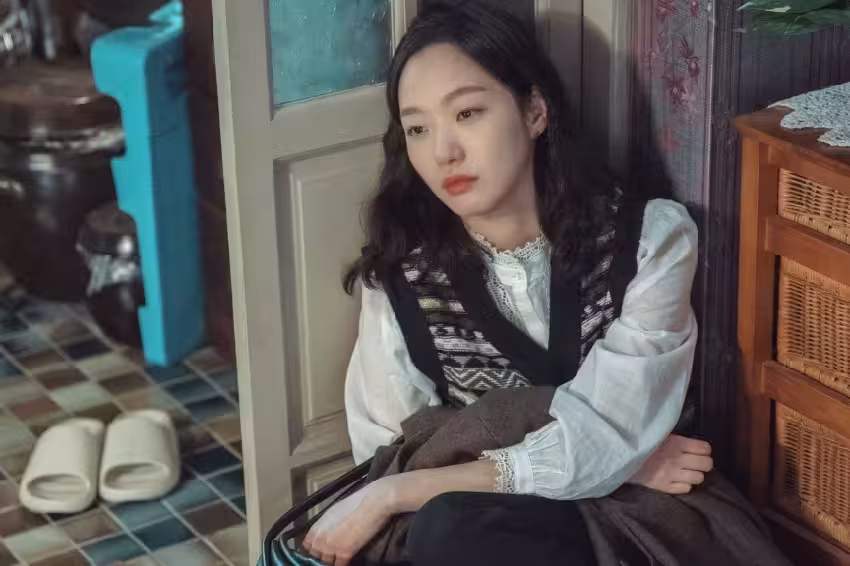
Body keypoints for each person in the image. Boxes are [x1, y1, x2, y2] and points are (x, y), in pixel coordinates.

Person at [303, 3, 715, 565]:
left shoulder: (649, 242)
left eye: (467, 113)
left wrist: (398, 491)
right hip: (480, 535)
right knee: (448, 528)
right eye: (418, 128)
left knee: (448, 522)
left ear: (535, 111)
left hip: (634, 523)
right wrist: (623, 459)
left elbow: (614, 426)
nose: (443, 151)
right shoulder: (403, 282)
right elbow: (393, 453)